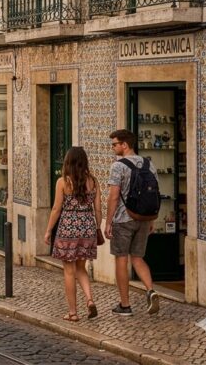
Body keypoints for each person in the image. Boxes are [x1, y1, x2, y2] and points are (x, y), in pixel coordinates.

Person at [105, 129, 160, 316]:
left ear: (124, 145)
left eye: (114, 144)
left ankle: (125, 305)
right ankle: (150, 290)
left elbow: (113, 197)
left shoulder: (118, 166)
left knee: (121, 259)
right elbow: (155, 194)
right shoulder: (149, 164)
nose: (113, 148)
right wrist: (152, 219)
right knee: (137, 257)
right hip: (144, 219)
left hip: (123, 219)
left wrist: (108, 222)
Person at [45, 147, 102, 321]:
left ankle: (73, 312)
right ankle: (90, 300)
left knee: (69, 272)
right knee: (81, 269)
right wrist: (95, 227)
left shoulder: (63, 182)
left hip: (68, 229)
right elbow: (98, 209)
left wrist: (48, 230)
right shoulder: (93, 181)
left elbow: (56, 209)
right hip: (87, 228)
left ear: (67, 162)